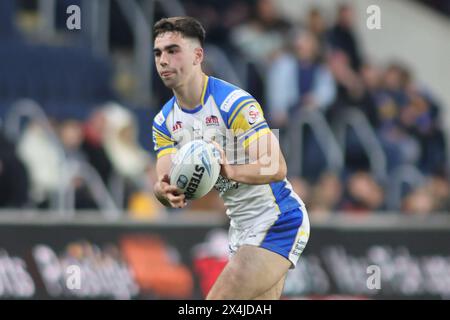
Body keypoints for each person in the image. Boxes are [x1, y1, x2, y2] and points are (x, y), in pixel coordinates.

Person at [151, 16, 310, 300]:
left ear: (197, 55)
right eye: (158, 53)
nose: (163, 60)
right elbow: (165, 181)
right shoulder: (163, 121)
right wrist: (164, 192)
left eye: (173, 50)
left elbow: (277, 166)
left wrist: (229, 170)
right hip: (240, 228)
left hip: (278, 219)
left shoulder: (233, 103)